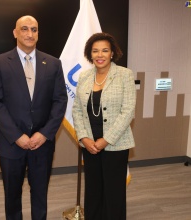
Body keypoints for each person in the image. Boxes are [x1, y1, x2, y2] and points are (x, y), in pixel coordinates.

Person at [0, 15, 68, 220]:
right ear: (15, 33)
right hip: (11, 143)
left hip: (43, 143)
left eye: (34, 29)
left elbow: (60, 101)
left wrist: (45, 133)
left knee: (40, 193)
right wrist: (17, 136)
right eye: (24, 29)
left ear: (38, 33)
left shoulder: (53, 63)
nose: (29, 34)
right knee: (12, 195)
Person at [72, 32, 136, 220]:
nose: (100, 55)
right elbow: (77, 110)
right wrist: (84, 137)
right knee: (93, 190)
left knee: (113, 191)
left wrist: (105, 140)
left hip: (115, 143)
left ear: (112, 53)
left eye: (105, 50)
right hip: (89, 143)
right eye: (95, 51)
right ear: (90, 54)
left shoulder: (125, 75)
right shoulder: (84, 76)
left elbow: (128, 111)